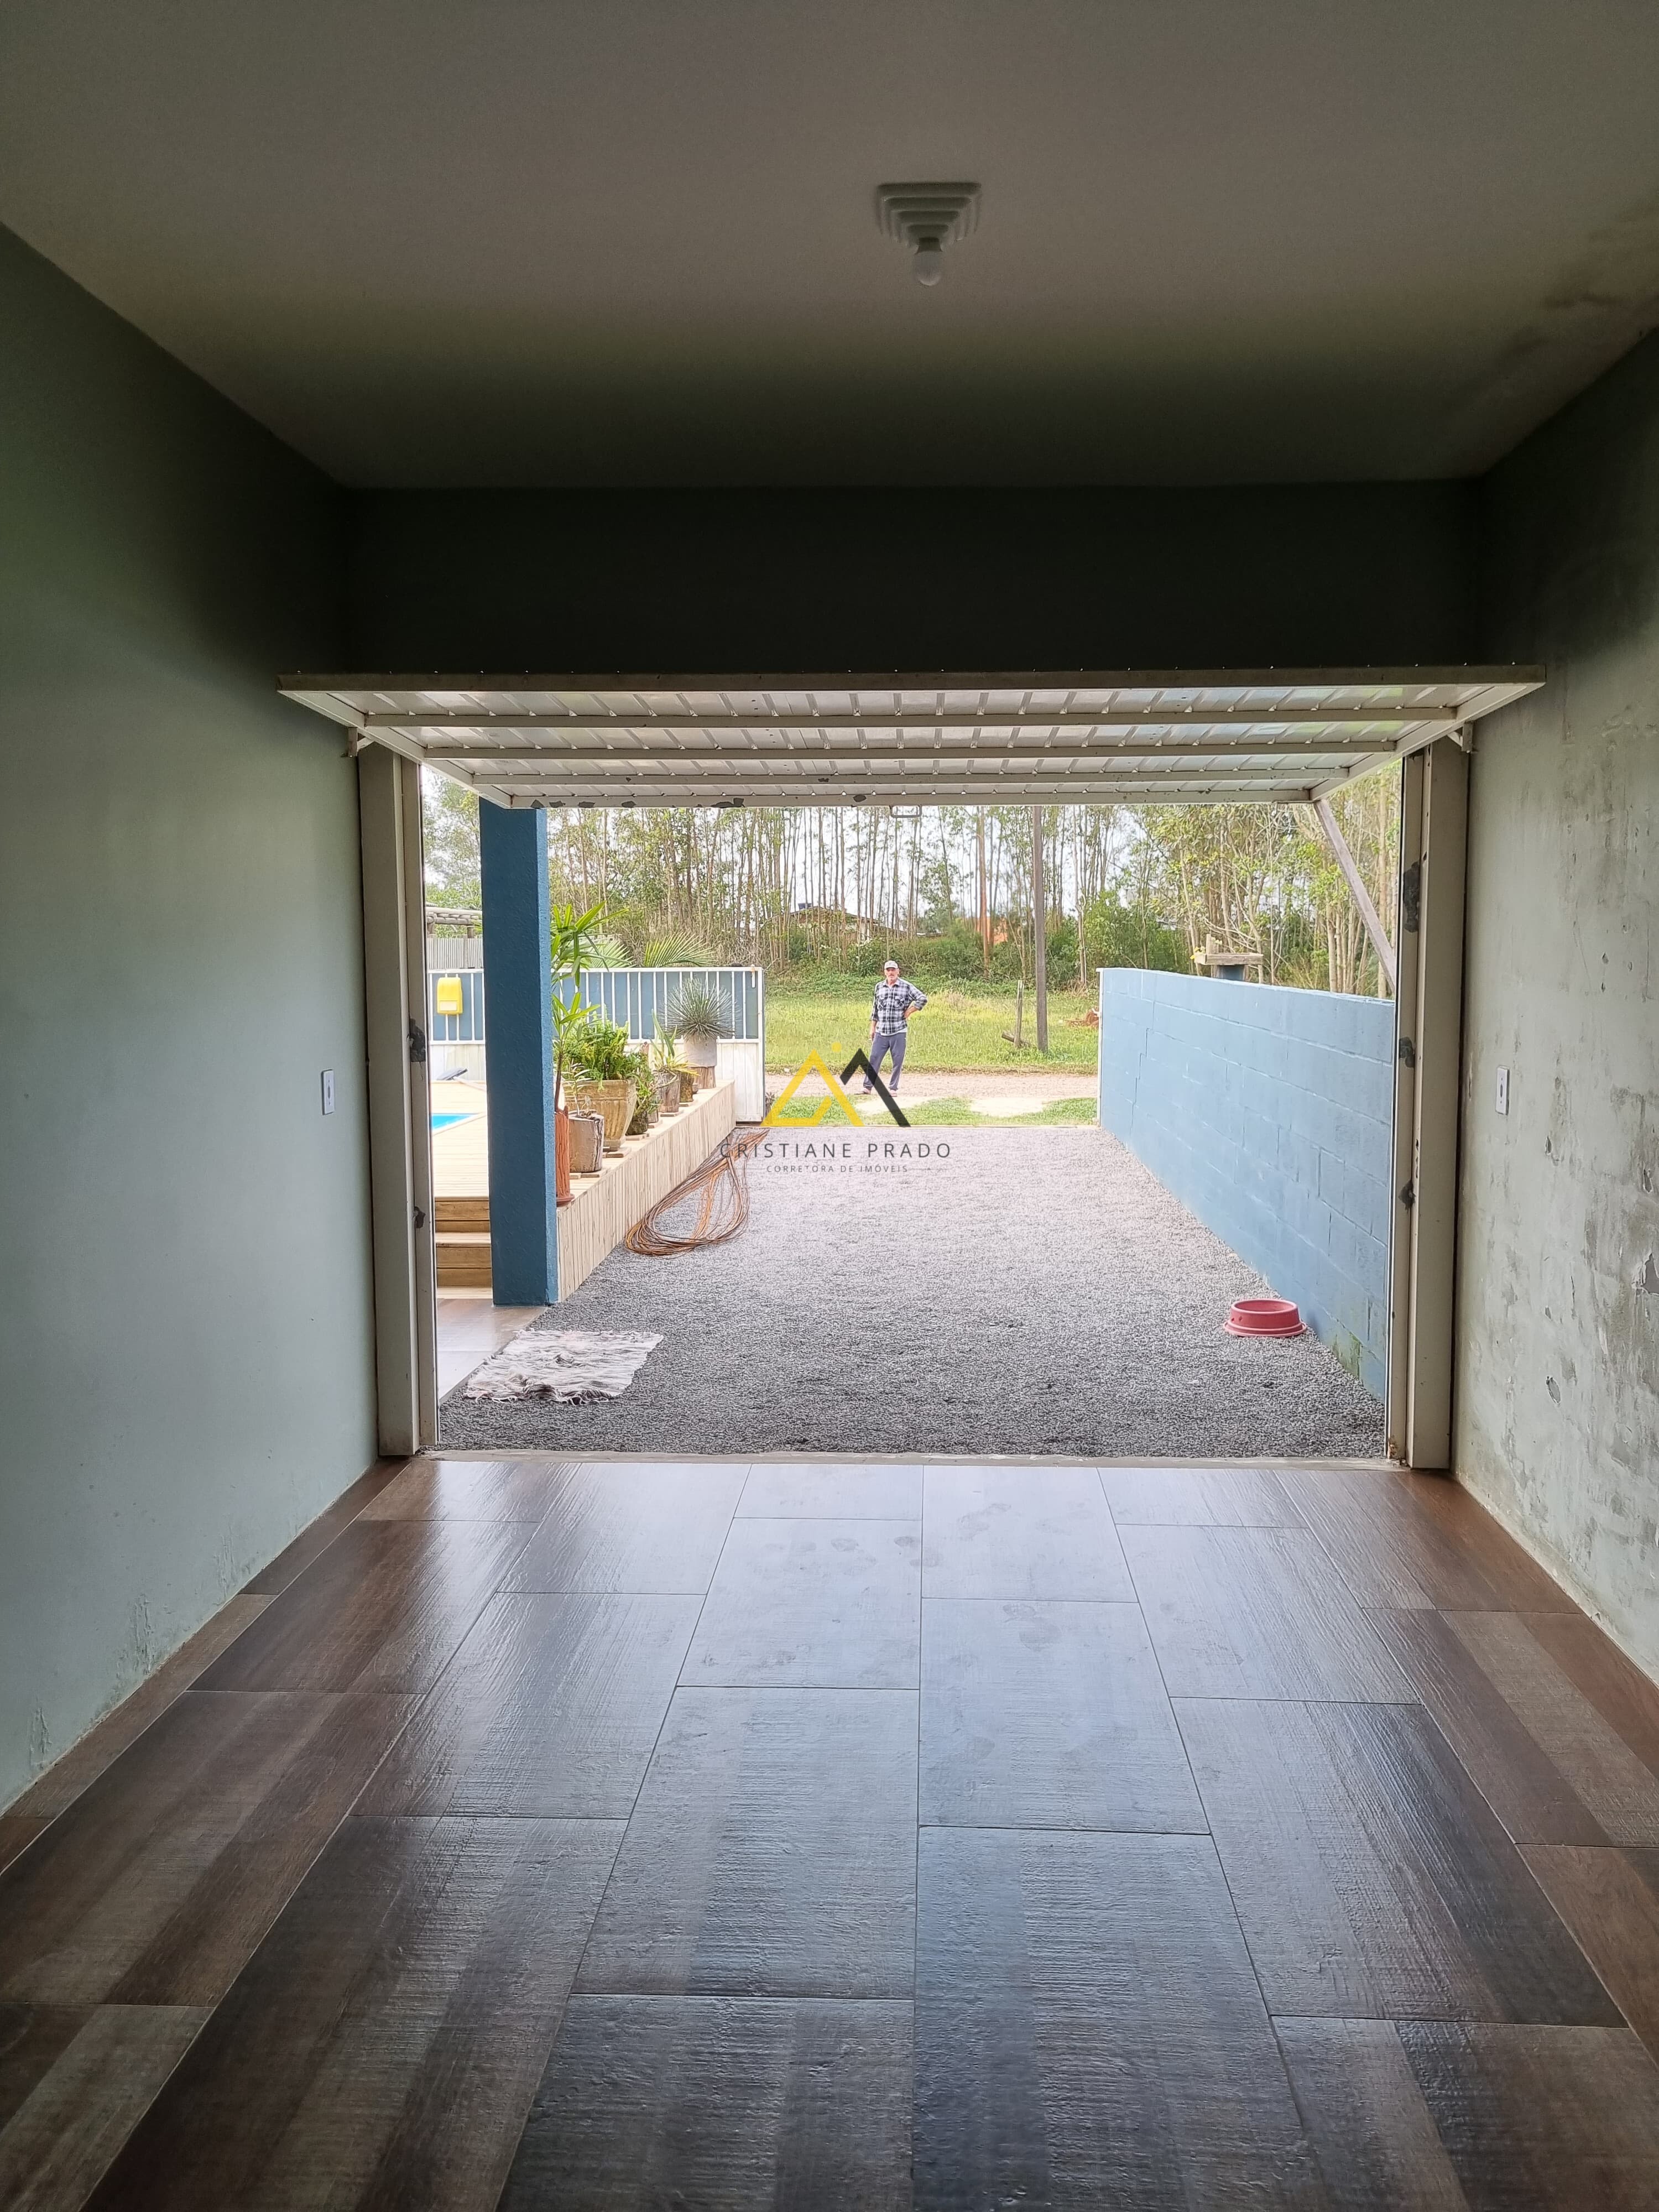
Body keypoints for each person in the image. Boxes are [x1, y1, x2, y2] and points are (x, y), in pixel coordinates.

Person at [865, 958, 927, 1093]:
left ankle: (893, 1088)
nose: (891, 972)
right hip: (882, 1031)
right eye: (889, 970)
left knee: (897, 1061)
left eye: (893, 970)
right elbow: (875, 1009)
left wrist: (910, 1011)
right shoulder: (879, 987)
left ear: (898, 972)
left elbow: (922, 998)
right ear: (885, 973)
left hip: (899, 1030)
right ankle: (867, 1087)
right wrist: (872, 1027)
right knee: (874, 1058)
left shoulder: (906, 986)